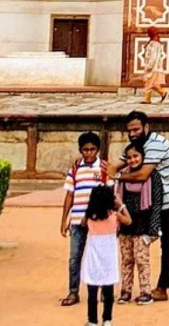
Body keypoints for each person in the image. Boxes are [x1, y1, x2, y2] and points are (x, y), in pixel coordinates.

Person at [119, 111, 169, 302]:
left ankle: (163, 288)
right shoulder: (139, 146)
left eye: (136, 129)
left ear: (147, 127)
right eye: (130, 130)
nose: (133, 133)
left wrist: (116, 176)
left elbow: (142, 175)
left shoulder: (156, 143)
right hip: (168, 197)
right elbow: (121, 162)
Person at [60, 131, 110, 308]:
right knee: (75, 257)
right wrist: (64, 219)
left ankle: (105, 289)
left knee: (101, 255)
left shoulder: (104, 168)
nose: (89, 153)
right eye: (85, 150)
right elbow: (69, 195)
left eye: (92, 149)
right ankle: (73, 291)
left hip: (98, 220)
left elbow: (109, 195)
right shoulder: (75, 168)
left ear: (98, 150)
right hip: (77, 219)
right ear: (80, 150)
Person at [117, 141, 163, 305]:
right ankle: (126, 291)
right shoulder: (123, 176)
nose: (132, 160)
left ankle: (145, 291)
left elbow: (157, 202)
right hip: (125, 222)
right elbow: (117, 200)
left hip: (144, 221)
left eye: (135, 156)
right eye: (129, 157)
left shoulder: (152, 176)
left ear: (143, 157)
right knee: (126, 259)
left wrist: (154, 227)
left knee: (142, 259)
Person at [81, 184, 130, 326]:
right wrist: (121, 205)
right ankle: (107, 319)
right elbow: (129, 220)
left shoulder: (90, 217)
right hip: (109, 257)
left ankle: (92, 320)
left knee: (92, 291)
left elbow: (82, 223)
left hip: (93, 257)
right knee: (108, 290)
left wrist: (90, 210)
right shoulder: (114, 216)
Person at [137, 28, 168, 105]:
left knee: (148, 83)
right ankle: (162, 93)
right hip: (157, 67)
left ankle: (152, 97)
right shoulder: (157, 44)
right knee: (152, 83)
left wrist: (149, 67)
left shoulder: (153, 44)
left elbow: (152, 57)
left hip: (153, 67)